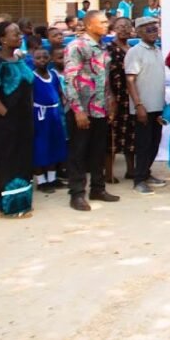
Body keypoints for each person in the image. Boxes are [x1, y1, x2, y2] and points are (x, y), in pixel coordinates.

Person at [64, 11, 120, 212]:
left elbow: (104, 77)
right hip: (82, 109)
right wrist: (78, 110)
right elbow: (69, 80)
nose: (107, 25)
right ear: (89, 25)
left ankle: (98, 188)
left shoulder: (104, 47)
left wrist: (110, 99)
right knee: (78, 153)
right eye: (102, 22)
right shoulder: (76, 47)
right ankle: (77, 194)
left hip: (100, 108)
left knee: (98, 151)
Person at [0, 21, 36, 217]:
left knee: (23, 160)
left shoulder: (19, 59)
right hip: (5, 123)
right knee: (8, 161)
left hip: (24, 120)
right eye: (14, 33)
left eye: (19, 32)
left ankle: (23, 202)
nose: (19, 36)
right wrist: (6, 115)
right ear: (2, 39)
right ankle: (9, 206)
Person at [125, 17, 166, 195]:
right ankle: (139, 179)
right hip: (143, 107)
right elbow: (130, 80)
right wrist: (138, 105)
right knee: (143, 144)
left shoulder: (158, 50)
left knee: (154, 143)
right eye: (148, 30)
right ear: (139, 32)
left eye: (155, 29)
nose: (153, 32)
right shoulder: (135, 52)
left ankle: (146, 173)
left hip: (157, 107)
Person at [30, 48, 67, 194]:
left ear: (49, 59)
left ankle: (52, 178)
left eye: (45, 57)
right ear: (33, 60)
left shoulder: (53, 75)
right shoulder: (31, 77)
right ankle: (41, 180)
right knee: (40, 147)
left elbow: (59, 92)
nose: (42, 60)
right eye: (38, 58)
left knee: (54, 145)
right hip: (39, 115)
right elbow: (30, 98)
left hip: (54, 113)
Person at [106, 17, 136, 182]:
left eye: (127, 26)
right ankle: (109, 174)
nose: (124, 29)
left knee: (131, 133)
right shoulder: (109, 48)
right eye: (120, 26)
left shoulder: (132, 49)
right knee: (112, 134)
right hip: (115, 96)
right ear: (114, 29)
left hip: (130, 97)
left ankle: (131, 170)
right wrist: (110, 96)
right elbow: (106, 74)